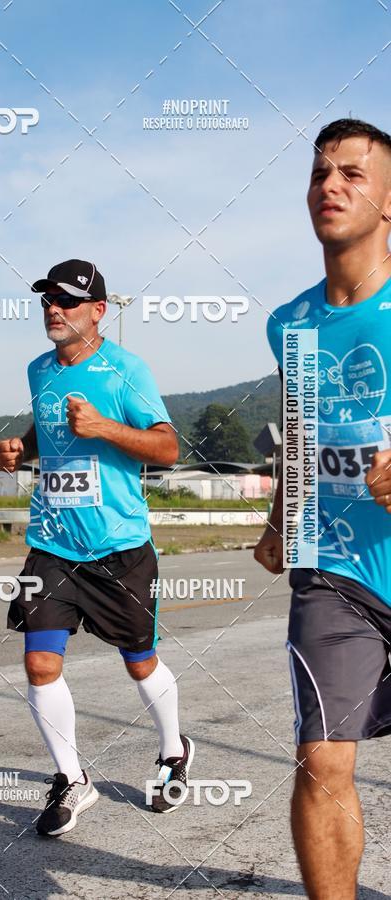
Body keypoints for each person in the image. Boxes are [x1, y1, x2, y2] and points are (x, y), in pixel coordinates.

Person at [0, 258, 192, 837]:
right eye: (47, 301)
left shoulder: (126, 370)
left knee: (140, 662)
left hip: (119, 548)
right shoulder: (39, 370)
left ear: (98, 311)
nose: (53, 310)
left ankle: (173, 748)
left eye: (67, 301)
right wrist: (18, 451)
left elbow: (166, 448)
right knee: (39, 663)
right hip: (53, 545)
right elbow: (44, 433)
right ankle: (73, 779)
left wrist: (106, 427)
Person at [254, 119, 391, 899]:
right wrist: (280, 522)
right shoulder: (291, 323)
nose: (330, 186)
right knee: (323, 758)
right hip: (333, 569)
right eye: (319, 174)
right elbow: (301, 433)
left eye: (352, 173)